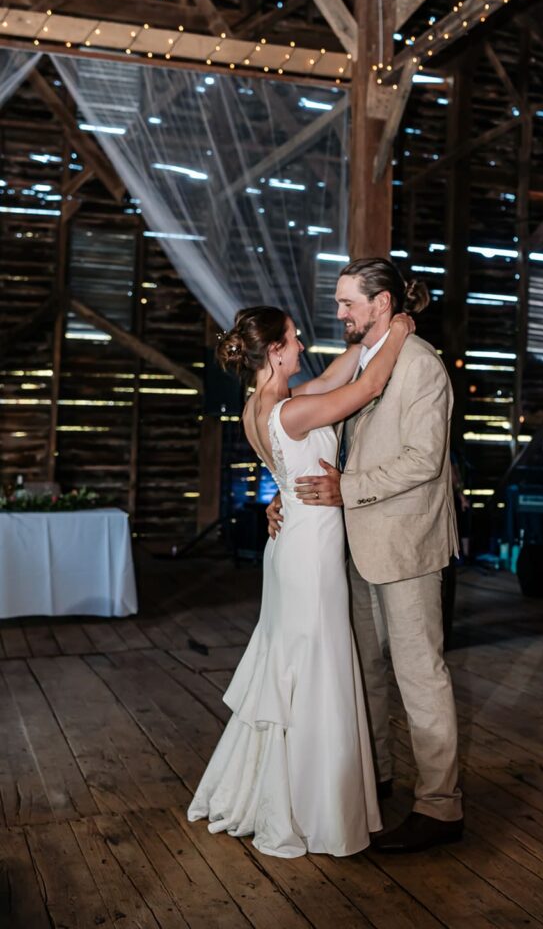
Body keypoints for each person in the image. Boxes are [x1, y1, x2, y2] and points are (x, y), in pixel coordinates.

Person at [187, 304, 415, 858]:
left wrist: (370, 336)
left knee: (296, 659)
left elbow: (342, 374)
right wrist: (401, 330)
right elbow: (365, 389)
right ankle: (316, 804)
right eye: (292, 337)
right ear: (274, 351)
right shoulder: (293, 412)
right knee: (316, 663)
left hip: (290, 541)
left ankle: (293, 786)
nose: (301, 340)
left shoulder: (259, 406)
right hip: (309, 552)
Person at [268, 257, 464, 854]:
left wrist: (343, 490)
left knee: (419, 674)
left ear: (382, 304)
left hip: (406, 543)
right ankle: (375, 779)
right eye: (338, 301)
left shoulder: (423, 366)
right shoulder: (362, 361)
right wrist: (285, 500)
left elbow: (424, 461)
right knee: (365, 673)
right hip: (349, 544)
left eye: (348, 301)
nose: (338, 311)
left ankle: (440, 806)